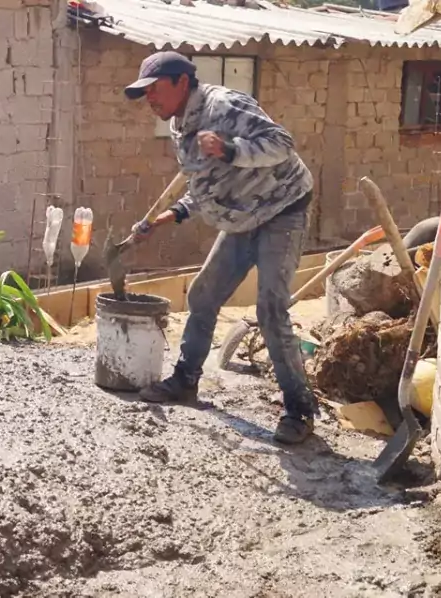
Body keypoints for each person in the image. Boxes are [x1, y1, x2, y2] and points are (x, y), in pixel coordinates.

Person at [123, 51, 319, 444]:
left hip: (281, 209)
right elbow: (207, 186)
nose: (151, 101)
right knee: (203, 294)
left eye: (155, 90)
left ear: (182, 82)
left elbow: (281, 142)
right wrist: (172, 215)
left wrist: (231, 149)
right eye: (145, 94)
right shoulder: (183, 127)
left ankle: (300, 409)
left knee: (269, 307)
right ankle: (185, 380)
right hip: (242, 217)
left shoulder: (225, 106)